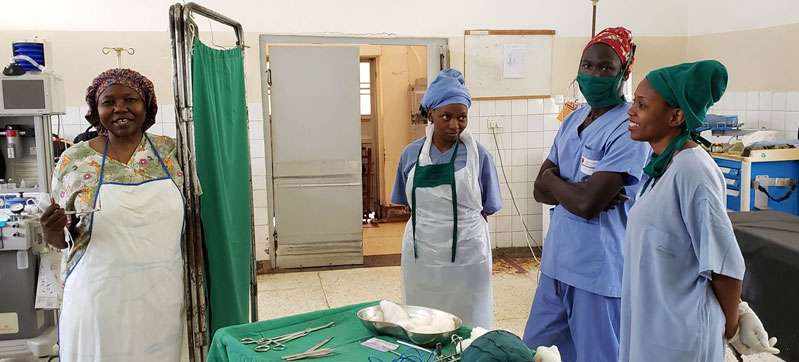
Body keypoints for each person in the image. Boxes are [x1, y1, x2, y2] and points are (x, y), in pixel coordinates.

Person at [621, 60, 780, 361]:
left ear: (676, 116)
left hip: (681, 336)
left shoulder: (692, 170)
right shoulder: (662, 165)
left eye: (642, 105)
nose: (631, 112)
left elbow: (723, 265)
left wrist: (733, 327)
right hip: (652, 326)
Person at [522, 27, 650, 362]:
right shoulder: (573, 120)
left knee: (597, 355)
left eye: (606, 67)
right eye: (588, 66)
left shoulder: (629, 128)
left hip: (597, 270)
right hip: (557, 263)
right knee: (535, 352)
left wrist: (556, 181)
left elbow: (587, 204)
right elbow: (539, 190)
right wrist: (571, 188)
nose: (594, 74)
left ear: (624, 72)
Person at [39, 68, 185, 361]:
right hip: (98, 295)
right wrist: (50, 229)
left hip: (162, 294)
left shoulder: (170, 151)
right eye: (108, 102)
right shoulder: (74, 160)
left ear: (147, 106)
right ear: (96, 110)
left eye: (130, 99)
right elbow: (61, 241)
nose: (120, 108)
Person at [391, 68, 501, 329]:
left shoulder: (479, 156)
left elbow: (489, 206)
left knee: (469, 320)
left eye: (462, 117)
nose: (455, 125)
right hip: (422, 256)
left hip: (468, 256)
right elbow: (406, 203)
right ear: (430, 114)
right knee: (422, 319)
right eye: (446, 117)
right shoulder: (410, 155)